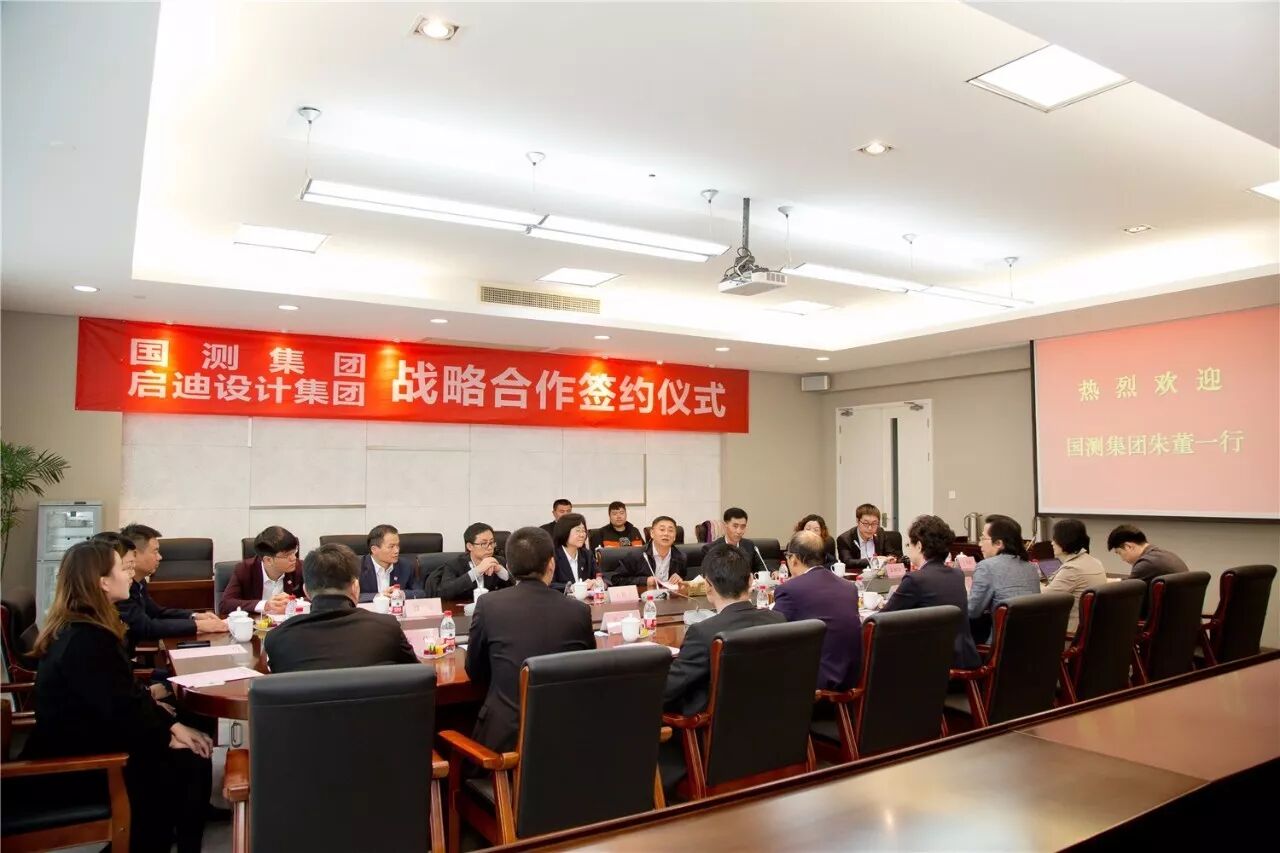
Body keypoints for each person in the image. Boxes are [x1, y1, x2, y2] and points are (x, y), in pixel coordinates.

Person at [22, 541, 213, 853]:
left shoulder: (81, 626)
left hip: (87, 740)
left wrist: (170, 726)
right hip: (77, 766)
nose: (129, 574)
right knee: (191, 758)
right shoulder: (88, 639)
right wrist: (168, 734)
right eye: (123, 569)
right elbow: (121, 710)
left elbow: (120, 696)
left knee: (187, 735)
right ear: (103, 582)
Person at [465, 527, 595, 752]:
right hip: (568, 739)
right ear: (551, 564)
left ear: (510, 566)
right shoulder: (579, 610)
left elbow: (475, 671)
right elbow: (588, 671)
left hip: (506, 744)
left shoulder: (489, 605)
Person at [664, 543, 787, 717]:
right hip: (775, 723)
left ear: (708, 586)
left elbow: (667, 691)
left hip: (715, 729)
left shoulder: (702, 633)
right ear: (750, 581)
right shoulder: (778, 620)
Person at [264, 543, 418, 673]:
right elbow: (417, 675)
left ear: (306, 591)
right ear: (355, 587)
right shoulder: (387, 628)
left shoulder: (277, 639)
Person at [883, 515, 980, 669]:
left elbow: (882, 619)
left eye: (909, 544)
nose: (908, 548)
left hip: (932, 663)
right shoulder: (957, 575)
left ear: (919, 546)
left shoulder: (915, 579)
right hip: (961, 656)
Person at [773, 531, 862, 690]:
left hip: (816, 679)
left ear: (794, 559)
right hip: (852, 676)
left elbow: (774, 632)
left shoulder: (790, 589)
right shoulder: (848, 586)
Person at [108, 526, 226, 644]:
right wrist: (199, 625)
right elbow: (145, 627)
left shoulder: (139, 582)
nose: (160, 557)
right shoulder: (120, 589)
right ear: (135, 554)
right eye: (155, 551)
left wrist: (194, 616)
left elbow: (156, 612)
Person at [967, 515, 1041, 641]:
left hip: (1000, 647)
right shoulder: (1031, 567)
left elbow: (972, 611)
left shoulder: (987, 567)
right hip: (1031, 643)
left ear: (999, 543)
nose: (979, 544)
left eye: (983, 538)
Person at [219, 526, 304, 617]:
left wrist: (293, 602)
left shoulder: (301, 568)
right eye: (287, 555)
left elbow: (314, 598)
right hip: (257, 623)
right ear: (268, 560)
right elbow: (225, 604)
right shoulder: (245, 570)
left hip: (289, 623)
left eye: (294, 552)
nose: (294, 558)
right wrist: (265, 605)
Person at [1106, 524, 1189, 616]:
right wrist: (1112, 581)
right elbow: (1134, 581)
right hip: (1182, 618)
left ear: (1128, 546)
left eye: (1119, 553)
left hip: (1163, 621)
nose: (1122, 559)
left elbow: (1126, 596)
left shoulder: (1146, 563)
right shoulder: (1165, 555)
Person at [1045, 519, 1107, 633]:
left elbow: (1044, 599)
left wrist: (1034, 583)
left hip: (1070, 632)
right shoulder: (1095, 562)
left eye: (1055, 539)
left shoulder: (1072, 569)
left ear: (1065, 540)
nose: (1052, 543)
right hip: (1092, 629)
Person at [428, 522, 515, 600]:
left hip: (490, 608)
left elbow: (515, 589)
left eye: (491, 543)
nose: (490, 548)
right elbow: (444, 592)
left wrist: (501, 571)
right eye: (484, 544)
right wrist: (476, 571)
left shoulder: (499, 561)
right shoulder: (454, 565)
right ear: (470, 546)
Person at [611, 515, 687, 588]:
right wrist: (645, 581)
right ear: (652, 533)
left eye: (670, 530)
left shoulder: (680, 557)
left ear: (675, 536)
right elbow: (616, 580)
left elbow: (683, 581)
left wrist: (680, 579)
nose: (666, 533)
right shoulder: (637, 556)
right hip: (644, 596)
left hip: (669, 596)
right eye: (662, 529)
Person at [358, 524, 421, 600]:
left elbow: (420, 593)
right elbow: (350, 596)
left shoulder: (406, 566)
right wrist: (379, 596)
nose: (396, 551)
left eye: (397, 546)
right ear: (374, 550)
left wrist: (400, 594)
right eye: (391, 547)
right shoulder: (356, 567)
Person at [700, 507, 767, 576]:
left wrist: (771, 573)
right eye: (735, 526)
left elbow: (762, 567)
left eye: (743, 527)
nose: (739, 531)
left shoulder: (749, 545)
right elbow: (709, 576)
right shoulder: (711, 549)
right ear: (725, 525)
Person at [836, 504, 903, 569]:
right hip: (857, 575)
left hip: (879, 575)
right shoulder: (845, 539)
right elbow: (847, 562)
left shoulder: (880, 533)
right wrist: (875, 560)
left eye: (874, 523)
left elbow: (891, 553)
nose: (870, 528)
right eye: (866, 523)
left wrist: (891, 558)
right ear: (858, 521)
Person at [551, 512, 599, 592]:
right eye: (578, 531)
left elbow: (601, 575)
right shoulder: (552, 556)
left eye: (583, 531)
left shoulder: (587, 554)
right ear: (564, 531)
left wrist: (598, 581)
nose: (582, 535)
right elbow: (549, 584)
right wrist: (572, 588)